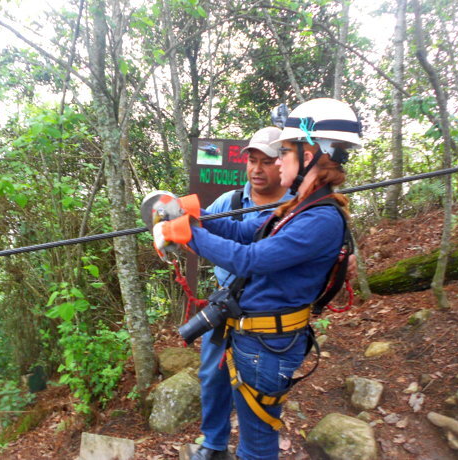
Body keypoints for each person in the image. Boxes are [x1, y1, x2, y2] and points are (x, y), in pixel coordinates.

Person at [154, 98, 361, 460]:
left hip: (267, 347)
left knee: (256, 444)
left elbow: (250, 260)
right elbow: (246, 231)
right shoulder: (301, 207)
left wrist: (187, 234)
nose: (278, 161)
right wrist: (193, 214)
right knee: (253, 438)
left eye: (284, 152)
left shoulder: (321, 219)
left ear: (312, 153)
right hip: (256, 339)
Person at [195, 127, 292, 460]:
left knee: (254, 389)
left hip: (268, 315)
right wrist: (176, 219)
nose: (257, 169)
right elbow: (207, 228)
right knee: (212, 374)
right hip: (226, 304)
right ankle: (214, 442)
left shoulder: (298, 207)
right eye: (252, 160)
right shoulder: (232, 202)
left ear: (284, 163)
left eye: (267, 162)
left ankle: (252, 449)